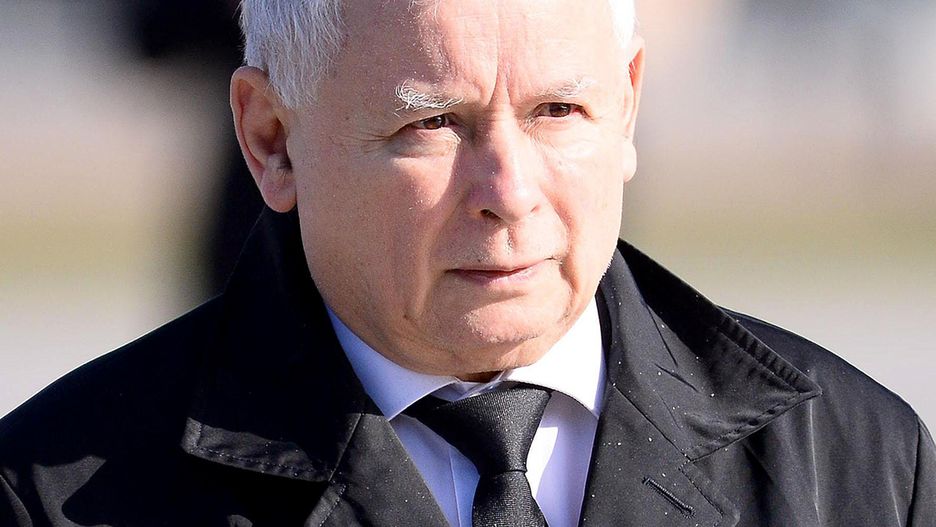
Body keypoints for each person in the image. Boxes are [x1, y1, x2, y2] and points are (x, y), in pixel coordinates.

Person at [2, 1, 934, 525]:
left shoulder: (860, 469)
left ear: (629, 108)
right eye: (433, 123)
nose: (509, 191)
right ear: (271, 139)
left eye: (558, 111)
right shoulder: (48, 499)